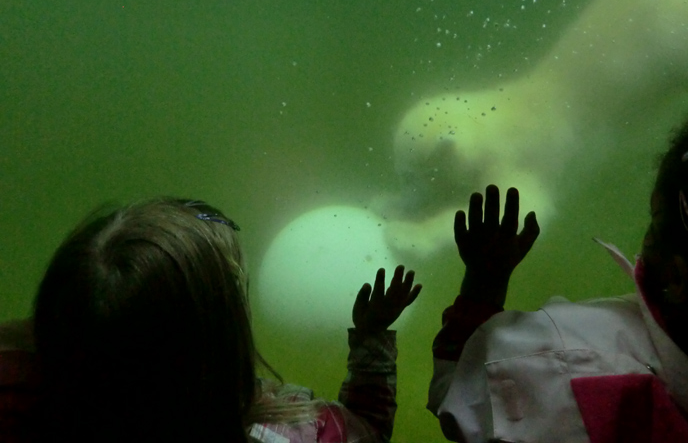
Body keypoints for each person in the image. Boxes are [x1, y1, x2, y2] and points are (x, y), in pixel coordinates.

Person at [427, 98, 688, 443]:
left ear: (676, 276)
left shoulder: (569, 366)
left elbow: (460, 397)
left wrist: (483, 282)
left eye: (656, 219)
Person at [0, 198, 421, 443]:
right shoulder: (291, 431)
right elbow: (367, 432)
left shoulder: (26, 402)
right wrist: (372, 339)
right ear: (221, 338)